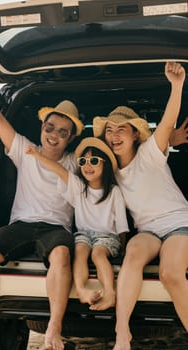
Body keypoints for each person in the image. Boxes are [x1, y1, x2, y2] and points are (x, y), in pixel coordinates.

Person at [0, 55, 84, 350]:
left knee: (61, 256)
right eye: (50, 127)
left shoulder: (75, 162)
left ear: (71, 137)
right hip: (21, 225)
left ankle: (53, 329)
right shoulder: (25, 148)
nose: (54, 135)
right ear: (42, 127)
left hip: (55, 228)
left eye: (63, 132)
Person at [92, 62, 188, 350]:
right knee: (132, 254)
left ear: (136, 135)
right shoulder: (107, 168)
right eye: (110, 130)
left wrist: (177, 85)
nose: (115, 135)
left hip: (178, 224)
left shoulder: (151, 153)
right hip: (148, 231)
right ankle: (122, 335)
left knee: (170, 274)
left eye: (123, 129)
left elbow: (168, 124)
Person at [26, 137, 128, 311]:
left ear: (106, 166)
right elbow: (60, 170)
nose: (88, 165)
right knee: (80, 252)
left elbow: (121, 222)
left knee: (97, 255)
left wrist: (124, 247)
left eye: (94, 161)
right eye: (83, 161)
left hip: (107, 236)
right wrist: (37, 155)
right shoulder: (79, 187)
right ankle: (81, 290)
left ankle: (110, 293)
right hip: (83, 234)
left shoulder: (114, 191)